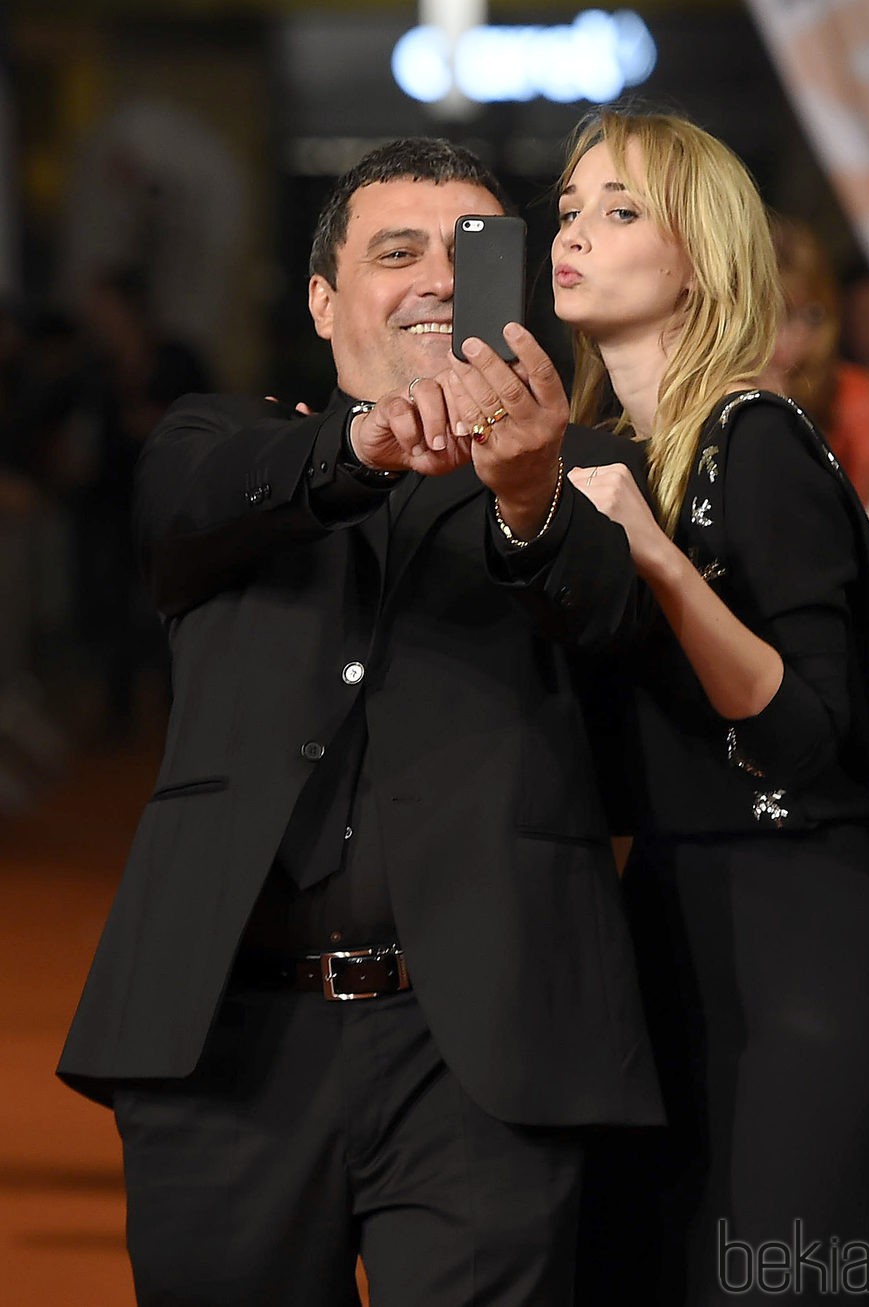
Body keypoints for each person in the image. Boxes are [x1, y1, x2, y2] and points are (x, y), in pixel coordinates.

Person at [57, 138, 663, 1307]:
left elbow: (609, 627)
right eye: (398, 251)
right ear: (325, 299)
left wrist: (528, 494)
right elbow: (181, 512)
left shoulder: (586, 471)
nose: (438, 276)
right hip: (224, 1044)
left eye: (471, 250)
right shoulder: (222, 446)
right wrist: (359, 446)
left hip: (486, 1048)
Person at [489, 109, 869, 1305]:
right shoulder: (601, 451)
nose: (573, 231)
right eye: (571, 207)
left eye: (620, 210)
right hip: (659, 934)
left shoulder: (758, 442)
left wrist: (659, 560)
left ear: (700, 254)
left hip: (798, 949)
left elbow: (802, 731)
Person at [760, 215, 869, 507]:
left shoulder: (854, 394)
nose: (799, 334)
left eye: (814, 315)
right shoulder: (717, 391)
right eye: (783, 314)